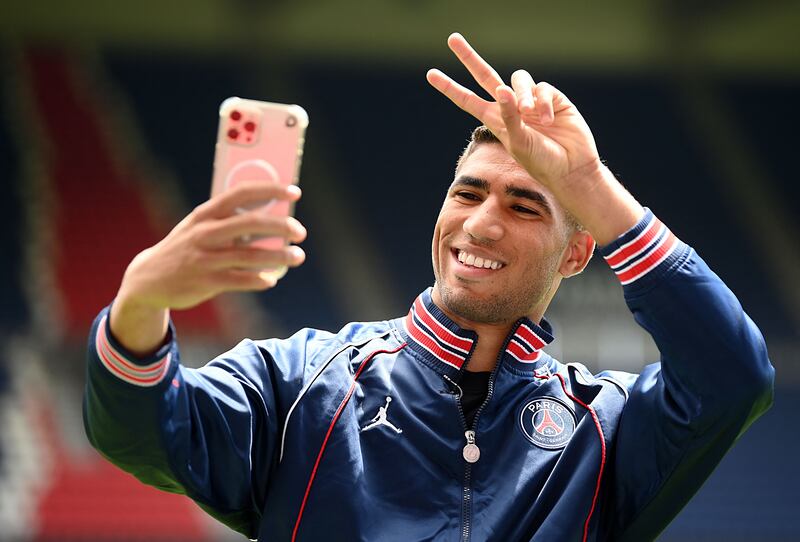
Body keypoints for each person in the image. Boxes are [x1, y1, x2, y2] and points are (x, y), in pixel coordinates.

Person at [83, 33, 774, 542]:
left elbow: (734, 376)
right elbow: (141, 434)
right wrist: (141, 303)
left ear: (577, 254)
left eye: (524, 205)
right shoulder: (296, 385)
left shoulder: (607, 428)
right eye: (467, 194)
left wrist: (587, 184)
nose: (481, 225)